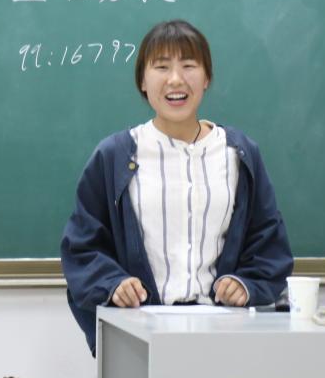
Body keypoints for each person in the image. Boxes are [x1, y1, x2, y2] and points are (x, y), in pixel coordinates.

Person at [60, 19, 293, 354]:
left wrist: (245, 284)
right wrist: (114, 284)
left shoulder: (239, 155)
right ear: (142, 81)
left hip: (223, 335)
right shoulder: (115, 156)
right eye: (161, 67)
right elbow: (82, 246)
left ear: (207, 77)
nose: (175, 79)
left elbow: (269, 243)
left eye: (188, 65)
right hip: (140, 334)